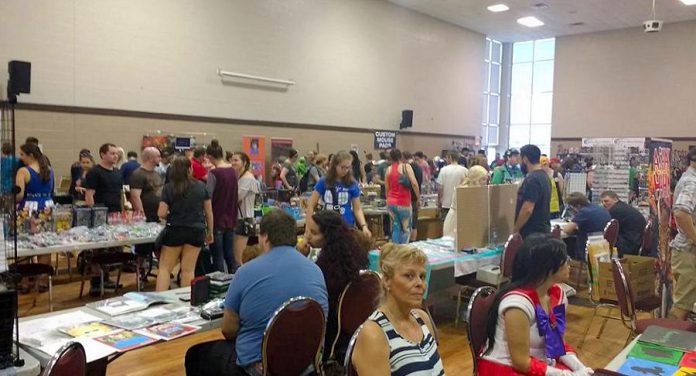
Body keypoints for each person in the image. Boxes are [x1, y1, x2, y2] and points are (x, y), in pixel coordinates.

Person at [184, 209, 328, 376]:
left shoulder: (246, 272)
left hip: (260, 367)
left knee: (196, 355)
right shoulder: (316, 271)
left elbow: (228, 329)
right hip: (305, 364)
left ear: (264, 237)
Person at [479, 234, 592, 375]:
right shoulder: (517, 304)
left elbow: (557, 344)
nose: (569, 264)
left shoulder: (557, 294)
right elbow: (521, 362)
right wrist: (567, 375)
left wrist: (579, 367)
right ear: (548, 268)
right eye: (565, 260)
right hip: (505, 368)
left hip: (537, 362)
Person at [351, 243, 445, 375]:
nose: (420, 284)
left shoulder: (422, 319)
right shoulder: (374, 334)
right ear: (387, 281)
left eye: (422, 276)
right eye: (409, 276)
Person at [305, 210, 370, 362]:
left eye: (314, 233)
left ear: (329, 236)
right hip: (352, 326)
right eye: (307, 230)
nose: (307, 236)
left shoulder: (325, 268)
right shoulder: (353, 254)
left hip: (331, 330)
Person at [156, 157, 213, 291]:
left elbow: (161, 213)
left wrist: (173, 215)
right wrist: (210, 231)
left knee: (165, 268)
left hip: (175, 230)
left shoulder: (169, 187)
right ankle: (186, 302)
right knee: (188, 270)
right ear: (189, 169)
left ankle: (159, 302)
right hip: (196, 230)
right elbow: (209, 212)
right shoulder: (201, 186)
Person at [305, 150, 372, 238]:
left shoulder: (352, 183)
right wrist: (308, 228)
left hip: (347, 226)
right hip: (327, 226)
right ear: (335, 165)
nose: (345, 170)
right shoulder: (323, 181)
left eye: (348, 168)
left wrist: (364, 226)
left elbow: (357, 209)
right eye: (342, 167)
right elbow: (311, 205)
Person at [15, 143, 55, 269]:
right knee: (45, 244)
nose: (20, 157)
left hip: (29, 208)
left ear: (30, 155)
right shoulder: (50, 169)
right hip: (47, 207)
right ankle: (42, 279)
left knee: (24, 244)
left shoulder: (23, 171)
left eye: (22, 154)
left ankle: (25, 281)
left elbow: (19, 195)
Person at [669, 147, 696, 321]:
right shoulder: (692, 182)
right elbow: (680, 212)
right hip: (688, 251)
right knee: (682, 305)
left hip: (687, 249)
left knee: (684, 302)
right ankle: (666, 345)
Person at [129, 147, 163, 283]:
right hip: (146, 217)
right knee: (142, 249)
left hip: (157, 217)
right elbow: (135, 196)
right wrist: (141, 215)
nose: (160, 159)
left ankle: (163, 273)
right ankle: (140, 273)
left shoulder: (156, 174)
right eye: (158, 156)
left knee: (159, 246)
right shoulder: (138, 174)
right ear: (150, 158)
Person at [205, 140, 239, 273]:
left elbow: (208, 195)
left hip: (217, 218)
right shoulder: (232, 171)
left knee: (217, 256)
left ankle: (220, 285)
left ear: (211, 157)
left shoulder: (214, 173)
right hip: (231, 217)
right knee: (230, 255)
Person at [513, 145, 552, 239]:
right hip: (543, 230)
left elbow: (527, 209)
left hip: (531, 234)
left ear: (525, 159)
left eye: (520, 159)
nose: (519, 163)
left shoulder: (532, 179)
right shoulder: (545, 177)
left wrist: (515, 229)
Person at [231, 151, 260, 267]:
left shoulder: (248, 178)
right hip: (238, 219)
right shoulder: (239, 177)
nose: (233, 163)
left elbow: (236, 198)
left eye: (236, 160)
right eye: (231, 160)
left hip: (244, 220)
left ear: (245, 163)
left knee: (239, 259)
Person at [443, 165, 489, 237]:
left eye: (486, 179)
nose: (485, 182)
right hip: (456, 222)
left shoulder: (477, 190)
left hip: (467, 222)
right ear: (476, 178)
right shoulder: (463, 190)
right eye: (483, 179)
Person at [385, 149, 420, 244]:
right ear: (401, 156)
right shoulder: (406, 167)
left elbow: (387, 189)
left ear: (391, 158)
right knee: (406, 229)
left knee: (395, 228)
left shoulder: (388, 169)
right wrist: (418, 197)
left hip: (391, 202)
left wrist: (387, 200)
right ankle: (403, 252)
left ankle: (395, 250)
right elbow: (414, 183)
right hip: (403, 203)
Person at [563, 192, 611, 260]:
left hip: (588, 247)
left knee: (568, 242)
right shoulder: (600, 208)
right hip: (602, 246)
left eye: (572, 207)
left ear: (578, 206)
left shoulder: (584, 212)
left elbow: (566, 230)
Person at [600, 190, 647, 256]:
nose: (604, 204)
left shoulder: (615, 210)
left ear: (615, 199)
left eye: (606, 201)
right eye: (602, 202)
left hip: (629, 245)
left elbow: (607, 229)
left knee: (599, 245)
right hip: (637, 241)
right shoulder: (622, 206)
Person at [84, 143, 123, 213]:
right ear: (103, 155)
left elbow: (121, 194)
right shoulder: (94, 172)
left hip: (116, 214)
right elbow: (89, 196)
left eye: (116, 154)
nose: (116, 156)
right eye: (112, 153)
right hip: (100, 213)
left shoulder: (118, 172)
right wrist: (94, 214)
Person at [437, 150, 468, 219]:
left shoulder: (443, 170)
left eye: (447, 158)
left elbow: (440, 188)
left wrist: (439, 201)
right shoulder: (465, 170)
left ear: (450, 157)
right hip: (460, 204)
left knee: (446, 227)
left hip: (446, 204)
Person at [404, 151, 423, 242]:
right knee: (414, 223)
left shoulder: (408, 168)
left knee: (409, 224)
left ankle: (409, 243)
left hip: (410, 198)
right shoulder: (419, 167)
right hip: (415, 197)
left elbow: (414, 184)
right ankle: (413, 243)